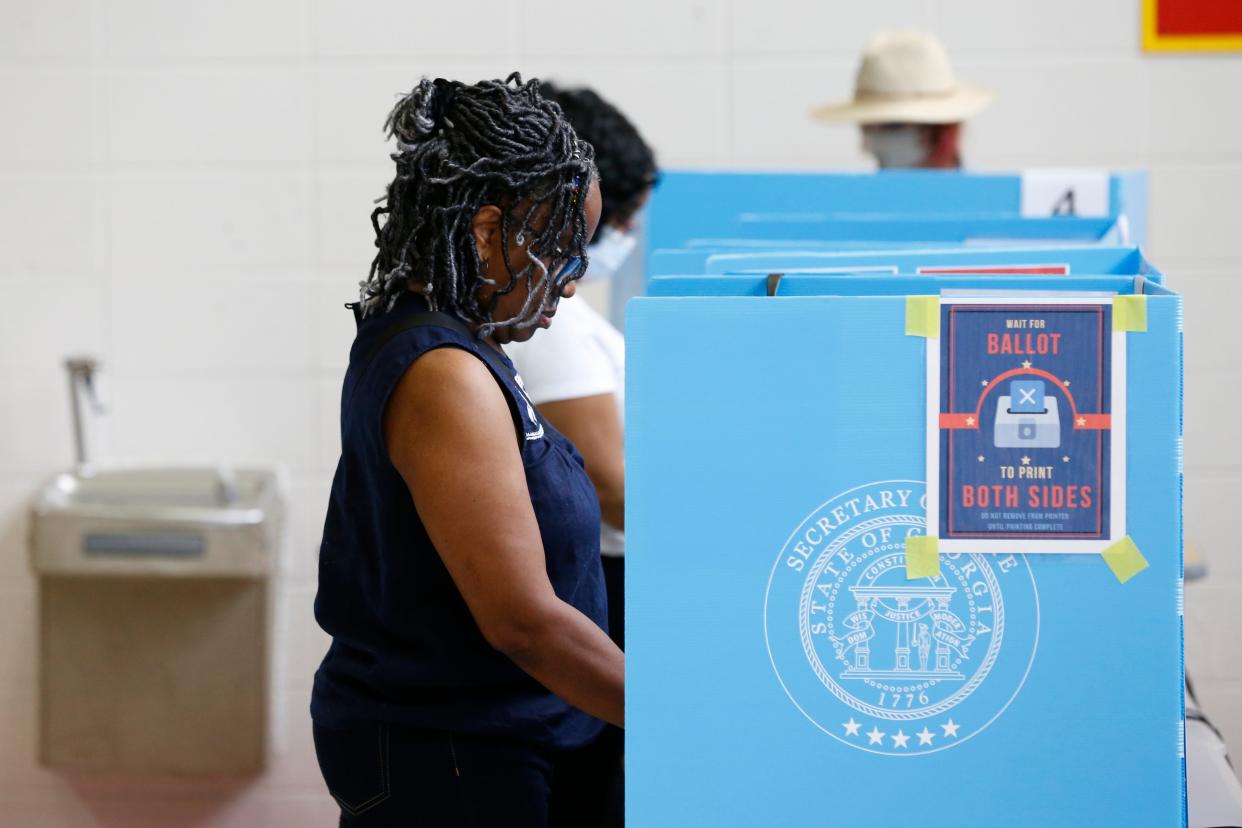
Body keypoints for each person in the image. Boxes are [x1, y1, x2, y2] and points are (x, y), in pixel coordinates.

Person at [310, 73, 624, 828]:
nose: (573, 284)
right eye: (562, 250)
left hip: (483, 743)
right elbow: (522, 621)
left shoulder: (458, 346)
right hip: (449, 758)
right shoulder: (442, 372)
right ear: (487, 231)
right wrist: (684, 718)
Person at [503, 83, 656, 828]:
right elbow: (610, 481)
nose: (625, 234)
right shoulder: (550, 325)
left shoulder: (561, 313)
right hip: (599, 580)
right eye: (622, 216)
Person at [811, 30, 993, 169]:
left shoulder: (991, 210)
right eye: (866, 127)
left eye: (891, 126)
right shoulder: (867, 209)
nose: (868, 145)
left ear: (946, 133)